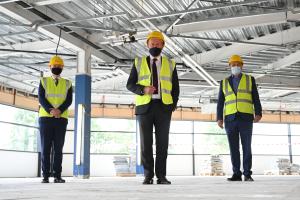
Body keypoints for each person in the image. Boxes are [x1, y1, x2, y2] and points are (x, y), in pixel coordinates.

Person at [126, 31, 179, 185]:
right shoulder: (138, 62)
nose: (154, 46)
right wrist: (143, 90)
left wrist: (172, 105)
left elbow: (175, 87)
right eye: (152, 43)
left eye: (157, 43)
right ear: (147, 45)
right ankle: (148, 176)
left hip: (164, 108)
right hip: (144, 108)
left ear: (162, 45)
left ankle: (161, 176)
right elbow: (130, 85)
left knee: (162, 144)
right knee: (146, 144)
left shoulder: (170, 64)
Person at [217, 55, 262, 182]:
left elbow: (255, 97)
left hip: (246, 118)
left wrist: (258, 112)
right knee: (233, 147)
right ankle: (236, 173)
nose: (235, 66)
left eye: (238, 64)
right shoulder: (224, 82)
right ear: (229, 66)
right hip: (230, 119)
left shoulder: (249, 79)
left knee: (247, 146)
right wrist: (219, 118)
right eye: (233, 64)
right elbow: (220, 102)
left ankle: (247, 173)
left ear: (242, 66)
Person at [38, 55, 73, 183]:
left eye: (59, 66)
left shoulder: (68, 83)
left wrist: (60, 110)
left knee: (58, 148)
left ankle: (57, 176)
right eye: (55, 66)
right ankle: (46, 176)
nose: (57, 68)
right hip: (46, 118)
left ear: (62, 68)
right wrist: (51, 110)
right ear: (50, 67)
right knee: (46, 148)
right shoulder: (43, 81)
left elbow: (69, 100)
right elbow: (41, 98)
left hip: (61, 119)